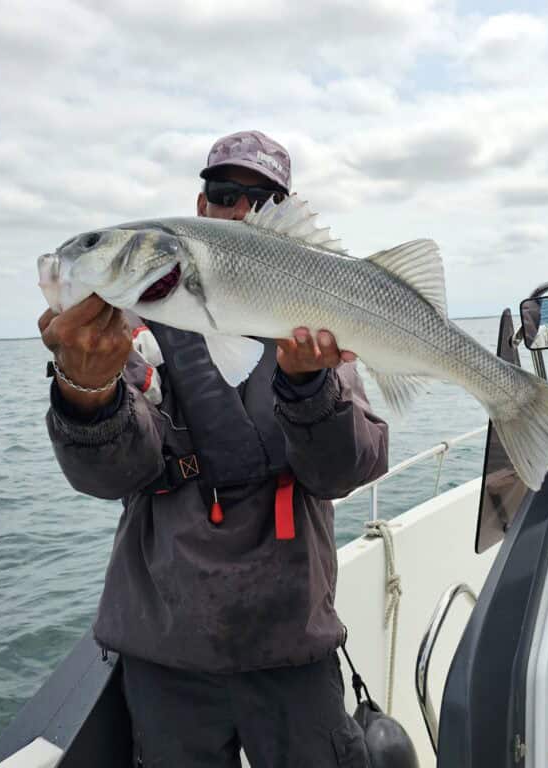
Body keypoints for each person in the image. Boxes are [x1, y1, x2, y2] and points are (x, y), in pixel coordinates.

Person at [38, 130, 388, 767]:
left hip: (292, 636)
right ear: (200, 206)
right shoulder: (130, 327)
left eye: (263, 199)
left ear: (286, 209)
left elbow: (351, 467)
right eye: (224, 193)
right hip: (166, 641)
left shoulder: (320, 323)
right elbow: (111, 473)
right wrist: (85, 387)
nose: (239, 210)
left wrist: (310, 385)